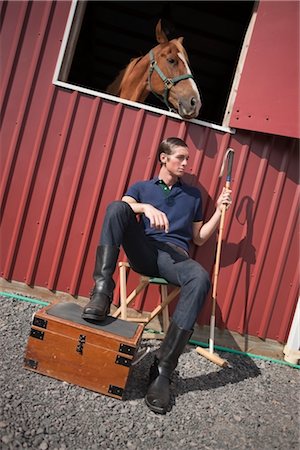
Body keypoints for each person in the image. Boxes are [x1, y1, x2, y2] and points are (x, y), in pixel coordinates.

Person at [82, 137, 232, 414]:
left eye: (188, 159)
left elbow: (198, 238)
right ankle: (102, 291)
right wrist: (146, 207)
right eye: (181, 158)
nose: (186, 163)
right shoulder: (141, 187)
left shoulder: (193, 196)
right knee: (116, 208)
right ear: (164, 158)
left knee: (199, 278)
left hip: (174, 256)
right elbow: (123, 207)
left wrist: (220, 213)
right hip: (144, 250)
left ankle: (162, 370)